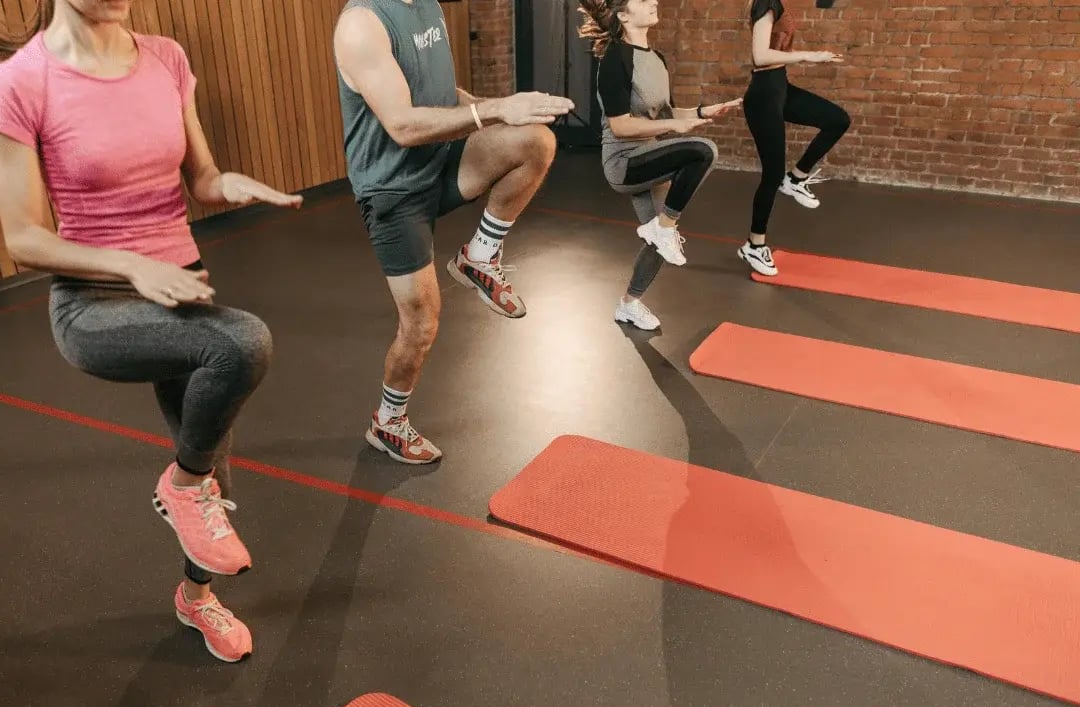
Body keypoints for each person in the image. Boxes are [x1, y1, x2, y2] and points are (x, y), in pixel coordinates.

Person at [0, 0, 303, 663]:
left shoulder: (166, 57)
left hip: (182, 290)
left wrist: (232, 184)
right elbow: (23, 237)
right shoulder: (21, 82)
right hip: (95, 305)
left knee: (214, 472)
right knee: (243, 345)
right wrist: (130, 265)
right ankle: (182, 486)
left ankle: (197, 597)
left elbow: (201, 178)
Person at [333, 0, 574, 464]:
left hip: (440, 161)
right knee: (421, 325)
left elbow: (442, 95)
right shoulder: (361, 24)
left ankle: (479, 256)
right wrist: (498, 108)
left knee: (535, 140)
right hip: (393, 191)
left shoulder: (427, 6)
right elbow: (402, 124)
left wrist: (503, 111)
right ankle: (388, 423)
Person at [578, 0, 741, 331]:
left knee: (656, 244)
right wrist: (678, 129)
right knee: (703, 151)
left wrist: (701, 113)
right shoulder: (615, 59)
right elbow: (621, 126)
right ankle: (663, 227)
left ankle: (628, 304)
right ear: (623, 15)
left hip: (650, 155)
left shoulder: (657, 59)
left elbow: (665, 116)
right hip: (624, 162)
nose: (653, 1)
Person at [737, 0, 850, 276]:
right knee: (771, 174)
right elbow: (760, 55)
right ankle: (755, 244)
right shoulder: (767, 2)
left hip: (780, 88)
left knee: (837, 120)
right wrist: (808, 55)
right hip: (764, 95)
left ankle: (796, 178)